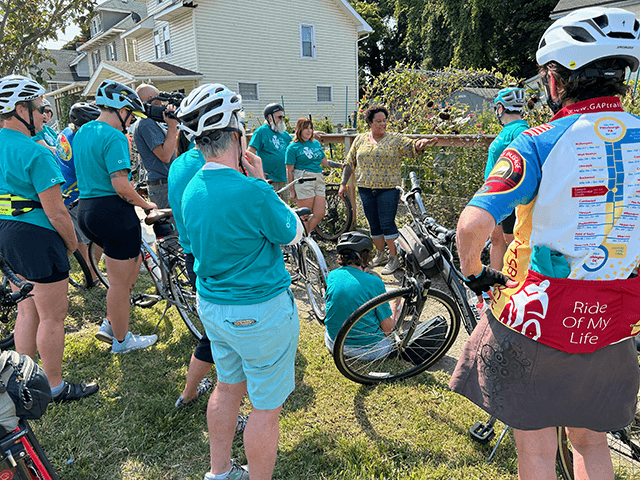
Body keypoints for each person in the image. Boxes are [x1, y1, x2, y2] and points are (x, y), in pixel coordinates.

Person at [450, 7, 640, 480]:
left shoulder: (537, 142)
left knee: (535, 454)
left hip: (538, 319)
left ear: (557, 79)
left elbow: (470, 227)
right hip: (615, 320)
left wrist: (474, 271)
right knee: (593, 445)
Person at [179, 84, 304, 480]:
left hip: (213, 305)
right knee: (265, 408)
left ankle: (219, 472)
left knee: (227, 386)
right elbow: (292, 232)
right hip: (259, 310)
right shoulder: (252, 190)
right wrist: (262, 183)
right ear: (236, 134)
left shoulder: (191, 187)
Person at [0, 74, 98, 403]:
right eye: (39, 107)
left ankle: (21, 382)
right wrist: (72, 245)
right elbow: (56, 213)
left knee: (26, 311)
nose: (44, 114)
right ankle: (54, 385)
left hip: (6, 234)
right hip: (38, 235)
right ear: (19, 109)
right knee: (52, 316)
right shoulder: (36, 153)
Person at [74, 79, 158, 354]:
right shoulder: (115, 136)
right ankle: (122, 341)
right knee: (121, 284)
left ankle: (112, 322)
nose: (131, 121)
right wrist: (147, 205)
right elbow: (121, 185)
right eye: (131, 115)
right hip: (112, 211)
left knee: (124, 274)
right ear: (121, 108)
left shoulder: (84, 130)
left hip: (87, 209)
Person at [339, 105, 435, 275]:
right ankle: (381, 254)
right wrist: (343, 183)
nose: (382, 124)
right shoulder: (360, 139)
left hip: (388, 189)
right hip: (365, 188)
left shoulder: (395, 139)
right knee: (373, 224)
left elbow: (412, 147)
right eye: (378, 121)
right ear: (369, 122)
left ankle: (393, 257)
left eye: (384, 120)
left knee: (387, 223)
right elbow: (349, 162)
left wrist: (421, 144)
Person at [324, 231, 396, 360]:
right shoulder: (374, 282)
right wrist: (395, 306)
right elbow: (387, 330)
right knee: (396, 302)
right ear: (365, 256)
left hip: (334, 343)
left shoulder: (332, 275)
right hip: (368, 350)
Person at [55, 102, 103, 286]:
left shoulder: (65, 134)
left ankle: (86, 273)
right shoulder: (80, 140)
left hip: (64, 190)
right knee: (92, 237)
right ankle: (91, 275)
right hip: (77, 193)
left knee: (76, 239)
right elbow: (87, 170)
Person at [484, 87, 529, 271]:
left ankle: (514, 283)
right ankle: (495, 284)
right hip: (494, 194)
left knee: (512, 243)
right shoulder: (509, 129)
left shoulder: (519, 130)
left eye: (497, 107)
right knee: (496, 239)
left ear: (501, 108)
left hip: (507, 195)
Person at [285, 117, 344, 233]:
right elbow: (289, 170)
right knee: (305, 215)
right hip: (303, 179)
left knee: (320, 213)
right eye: (305, 128)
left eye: (311, 128)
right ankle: (304, 241)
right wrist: (292, 191)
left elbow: (325, 162)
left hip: (318, 178)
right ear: (299, 130)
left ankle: (302, 236)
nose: (309, 131)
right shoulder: (293, 147)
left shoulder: (315, 143)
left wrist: (341, 165)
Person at [133, 83, 179, 208]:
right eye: (159, 98)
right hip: (162, 186)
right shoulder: (146, 123)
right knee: (171, 226)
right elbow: (165, 156)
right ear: (151, 97)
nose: (162, 103)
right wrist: (172, 126)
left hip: (165, 184)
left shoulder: (152, 122)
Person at [248, 103, 292, 201]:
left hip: (284, 178)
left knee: (284, 209)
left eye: (283, 117)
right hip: (269, 180)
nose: (282, 120)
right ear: (270, 118)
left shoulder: (283, 133)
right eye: (279, 117)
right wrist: (257, 172)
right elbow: (250, 153)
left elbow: (296, 143)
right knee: (269, 208)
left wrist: (312, 135)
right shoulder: (261, 132)